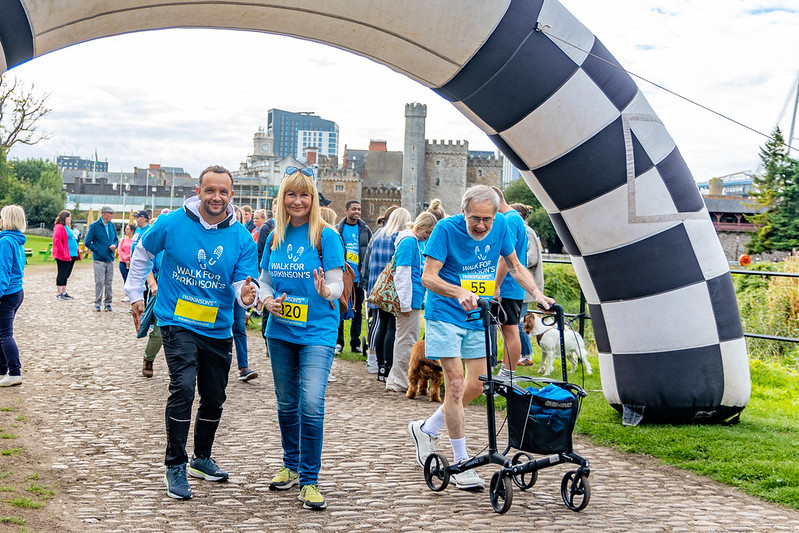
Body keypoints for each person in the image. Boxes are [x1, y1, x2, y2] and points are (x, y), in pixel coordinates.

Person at [125, 165, 259, 500]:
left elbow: (241, 281)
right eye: (210, 190)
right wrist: (133, 294)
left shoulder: (242, 237)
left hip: (216, 328)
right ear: (198, 192)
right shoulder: (172, 222)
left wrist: (244, 296)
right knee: (183, 387)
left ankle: (201, 459)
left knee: (214, 396)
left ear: (231, 195)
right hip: (177, 320)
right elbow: (142, 251)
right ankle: (175, 464)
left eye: (223, 192)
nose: (216, 197)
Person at [407, 185, 553, 490]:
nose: (482, 225)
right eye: (475, 218)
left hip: (478, 314)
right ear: (463, 212)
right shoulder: (445, 230)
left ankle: (427, 428)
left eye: (487, 218)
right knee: (456, 384)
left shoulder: (501, 225)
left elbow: (514, 264)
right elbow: (428, 276)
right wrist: (458, 290)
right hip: (446, 312)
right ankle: (461, 463)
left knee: (479, 383)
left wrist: (537, 293)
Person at [258, 166, 345, 511]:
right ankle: (290, 465)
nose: (297, 201)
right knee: (286, 403)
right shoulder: (275, 235)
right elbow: (265, 280)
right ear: (282, 199)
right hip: (279, 330)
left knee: (311, 403)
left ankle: (310, 480)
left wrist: (327, 290)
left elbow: (337, 283)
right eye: (291, 195)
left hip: (318, 332)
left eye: (304, 194)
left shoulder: (326, 236)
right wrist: (266, 299)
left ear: (313, 199)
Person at [385, 212, 437, 393]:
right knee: (407, 341)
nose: (428, 236)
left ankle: (401, 379)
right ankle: (400, 380)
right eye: (428, 232)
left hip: (413, 298)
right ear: (420, 227)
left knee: (408, 339)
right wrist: (405, 303)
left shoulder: (414, 242)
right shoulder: (408, 242)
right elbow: (402, 274)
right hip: (408, 300)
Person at [366, 208, 411, 381]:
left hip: (376, 286)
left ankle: (380, 368)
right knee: (392, 327)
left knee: (381, 326)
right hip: (391, 288)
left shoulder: (377, 235)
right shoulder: (398, 238)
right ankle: (389, 366)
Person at [491, 186, 528, 376]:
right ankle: (506, 375)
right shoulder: (513, 219)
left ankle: (507, 376)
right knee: (508, 330)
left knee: (510, 330)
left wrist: (496, 285)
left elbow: (506, 256)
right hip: (508, 285)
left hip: (507, 286)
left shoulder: (510, 220)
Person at [360, 205, 399, 373]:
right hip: (386, 287)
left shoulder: (376, 235)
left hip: (374, 285)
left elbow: (367, 261)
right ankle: (374, 359)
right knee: (381, 324)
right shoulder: (393, 237)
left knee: (377, 323)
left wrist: (365, 283)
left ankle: (374, 360)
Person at [335, 200, 372, 355]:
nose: (357, 212)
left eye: (359, 209)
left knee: (358, 311)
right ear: (346, 211)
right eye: (354, 209)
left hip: (359, 277)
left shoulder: (365, 229)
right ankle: (339, 343)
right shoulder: (338, 229)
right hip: (343, 277)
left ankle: (355, 342)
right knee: (341, 308)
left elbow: (369, 250)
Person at [511, 203, 543, 366]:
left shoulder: (527, 232)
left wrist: (515, 261)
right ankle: (520, 354)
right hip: (520, 284)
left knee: (519, 322)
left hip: (525, 285)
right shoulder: (521, 230)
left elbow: (532, 257)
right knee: (515, 322)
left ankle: (527, 354)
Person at [0, 205, 27, 387]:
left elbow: (3, 271)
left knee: (5, 334)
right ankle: (2, 367)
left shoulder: (5, 242)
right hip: (16, 292)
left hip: (7, 294)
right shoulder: (17, 240)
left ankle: (14, 371)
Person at [231, 206, 258, 382]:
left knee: (239, 328)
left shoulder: (245, 239)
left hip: (238, 291)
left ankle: (243, 367)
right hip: (218, 291)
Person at [84, 205, 118, 312]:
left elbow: (116, 239)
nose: (112, 216)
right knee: (99, 282)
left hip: (110, 258)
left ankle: (108, 303)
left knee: (109, 282)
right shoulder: (94, 226)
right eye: (110, 214)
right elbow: (87, 242)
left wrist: (114, 245)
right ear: (104, 214)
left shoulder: (112, 226)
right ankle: (97, 303)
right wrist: (97, 249)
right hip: (99, 259)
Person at [52, 210, 81, 300]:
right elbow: (57, 241)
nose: (70, 220)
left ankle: (64, 292)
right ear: (64, 218)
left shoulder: (67, 227)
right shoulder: (59, 227)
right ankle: (59, 292)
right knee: (62, 272)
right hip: (64, 255)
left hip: (71, 254)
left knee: (67, 273)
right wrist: (63, 252)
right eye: (69, 218)